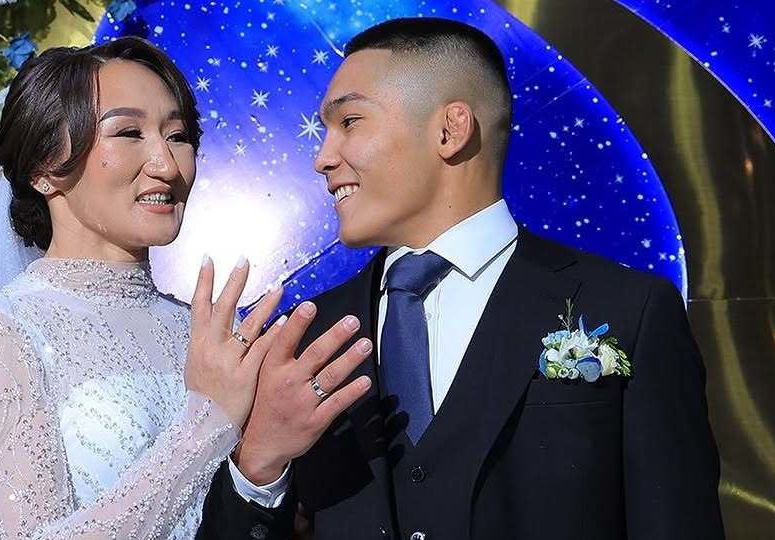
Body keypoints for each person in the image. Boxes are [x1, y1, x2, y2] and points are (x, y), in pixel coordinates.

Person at [200, 18, 724, 540]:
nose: (322, 158)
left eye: (350, 122)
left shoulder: (628, 311)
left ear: (450, 130)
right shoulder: (305, 342)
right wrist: (259, 466)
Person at [0, 37, 370, 539]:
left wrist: (266, 468)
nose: (167, 164)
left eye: (178, 136)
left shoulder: (209, 333)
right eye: (128, 133)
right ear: (44, 169)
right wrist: (209, 422)